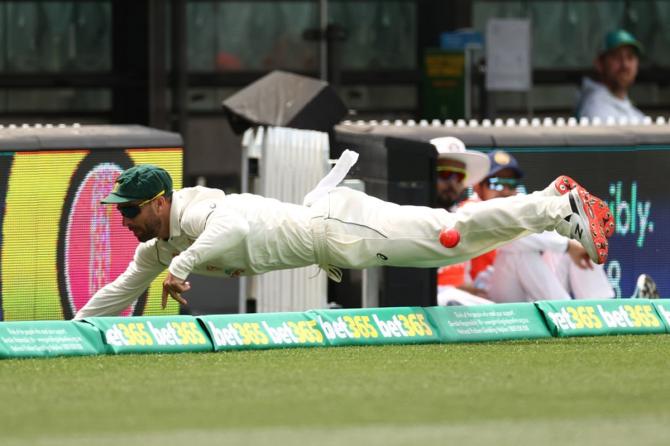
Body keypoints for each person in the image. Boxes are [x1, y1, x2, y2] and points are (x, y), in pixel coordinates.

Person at [74, 146, 614, 318]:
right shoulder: (159, 245)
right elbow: (119, 290)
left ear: (160, 201)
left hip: (338, 226)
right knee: (447, 243)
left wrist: (185, 266)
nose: (125, 221)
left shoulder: (193, 208)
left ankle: (555, 205)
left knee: (450, 235)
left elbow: (231, 224)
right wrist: (74, 330)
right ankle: (551, 206)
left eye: (131, 211)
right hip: (337, 238)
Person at [477, 151, 615, 302]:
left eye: (511, 184)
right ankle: (565, 314)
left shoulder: (519, 205)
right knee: (519, 253)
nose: (505, 190)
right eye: (495, 183)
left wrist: (573, 244)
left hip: (529, 289)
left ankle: (603, 309)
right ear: (479, 187)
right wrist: (568, 245)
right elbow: (510, 237)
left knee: (582, 241)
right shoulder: (471, 210)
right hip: (488, 295)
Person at [577, 29, 645, 121]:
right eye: (616, 57)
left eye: (630, 57)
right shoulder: (595, 108)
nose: (625, 64)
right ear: (600, 64)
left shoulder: (633, 111)